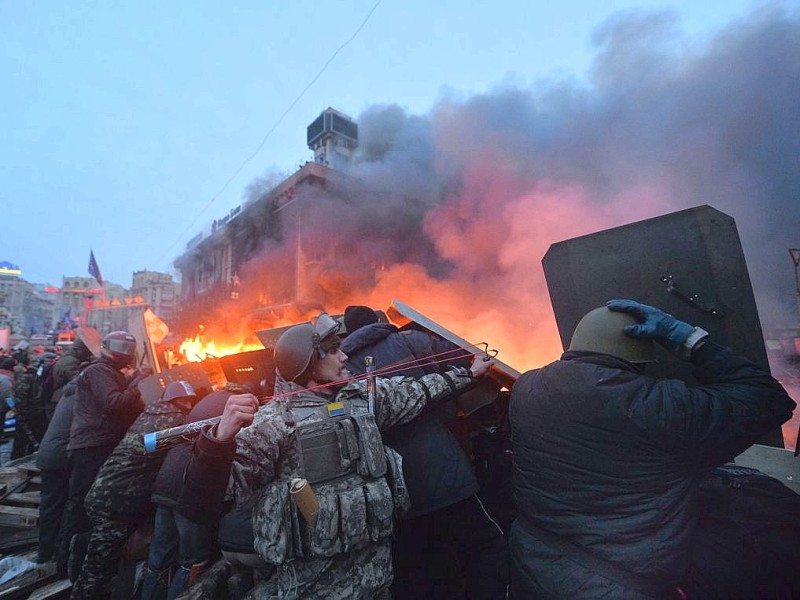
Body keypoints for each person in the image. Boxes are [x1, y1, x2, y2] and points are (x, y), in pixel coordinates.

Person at [177, 313, 495, 598]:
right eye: (331, 350)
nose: (344, 356)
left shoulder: (361, 399)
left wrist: (470, 374)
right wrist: (217, 442)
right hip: (315, 587)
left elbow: (415, 392)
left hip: (377, 581)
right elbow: (201, 505)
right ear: (308, 364)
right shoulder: (275, 423)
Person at [509, 299, 796, 599]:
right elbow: (768, 398)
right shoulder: (657, 405)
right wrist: (688, 340)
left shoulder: (526, 388)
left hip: (536, 561)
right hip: (615, 583)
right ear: (639, 357)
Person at [341, 305, 509, 599]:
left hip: (395, 493)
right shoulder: (411, 340)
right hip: (445, 474)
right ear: (379, 322)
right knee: (487, 546)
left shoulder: (344, 372)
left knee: (422, 569)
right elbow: (465, 356)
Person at [71, 380, 200, 598]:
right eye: (184, 401)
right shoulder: (174, 422)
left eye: (190, 401)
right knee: (96, 572)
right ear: (175, 402)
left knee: (104, 561)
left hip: (104, 494)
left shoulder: (149, 414)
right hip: (115, 503)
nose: (188, 405)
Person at [142, 381, 247, 600]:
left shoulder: (207, 401)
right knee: (193, 562)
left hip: (164, 484)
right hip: (188, 489)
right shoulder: (236, 408)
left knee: (159, 558)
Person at [57, 330, 146, 579]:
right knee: (79, 504)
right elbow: (113, 403)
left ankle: (74, 561)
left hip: (97, 444)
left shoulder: (109, 372)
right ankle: (65, 563)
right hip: (91, 447)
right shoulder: (98, 372)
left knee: (86, 504)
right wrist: (138, 384)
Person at [36, 362, 92, 564]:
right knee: (63, 504)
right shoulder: (84, 395)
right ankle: (54, 554)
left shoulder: (70, 391)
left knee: (50, 505)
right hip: (60, 455)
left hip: (48, 453)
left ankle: (45, 552)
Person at [47, 336, 95, 421]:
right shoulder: (70, 361)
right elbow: (78, 380)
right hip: (61, 398)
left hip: (60, 397)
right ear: (80, 350)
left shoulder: (68, 358)